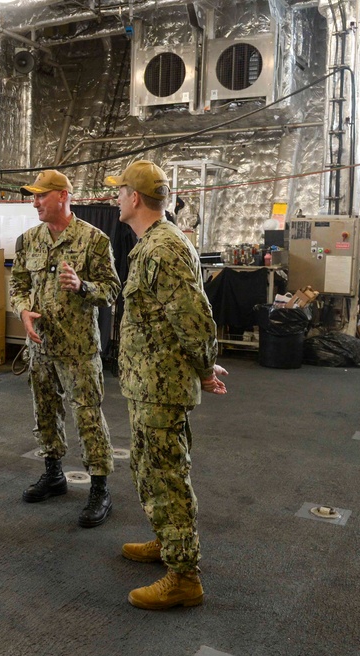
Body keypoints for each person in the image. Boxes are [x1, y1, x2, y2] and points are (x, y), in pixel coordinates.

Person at [106, 160, 228, 610]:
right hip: (147, 383)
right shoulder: (152, 244)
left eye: (119, 192)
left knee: (166, 473)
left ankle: (183, 575)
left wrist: (204, 368)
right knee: (147, 466)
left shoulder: (164, 248)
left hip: (161, 386)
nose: (116, 199)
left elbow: (195, 320)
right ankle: (167, 539)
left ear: (135, 199)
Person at [10, 169, 121, 528]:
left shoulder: (94, 240)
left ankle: (99, 487)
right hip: (40, 347)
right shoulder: (28, 240)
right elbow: (19, 284)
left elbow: (111, 290)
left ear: (62, 196)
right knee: (44, 412)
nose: (35, 202)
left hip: (78, 348)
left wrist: (83, 286)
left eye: (41, 195)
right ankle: (54, 473)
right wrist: (23, 310)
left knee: (88, 416)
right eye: (33, 196)